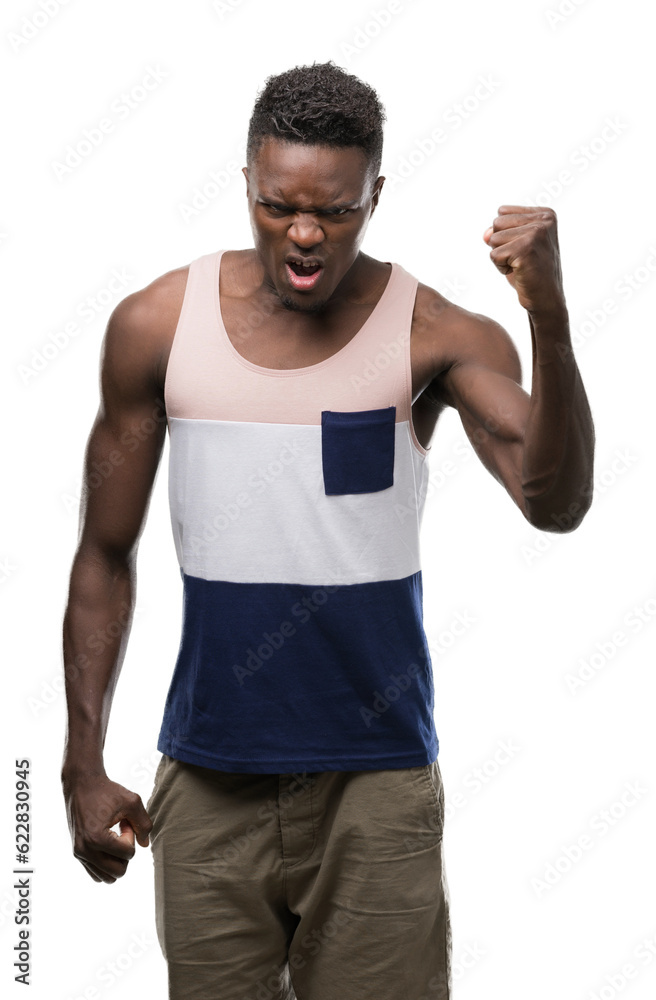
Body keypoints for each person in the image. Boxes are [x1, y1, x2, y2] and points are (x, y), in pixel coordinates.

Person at [61, 60, 595, 1000]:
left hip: (376, 784)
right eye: (278, 206)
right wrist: (81, 762)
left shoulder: (438, 331)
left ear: (375, 196)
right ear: (248, 184)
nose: (304, 234)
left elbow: (556, 504)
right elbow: (105, 553)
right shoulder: (156, 324)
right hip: (209, 770)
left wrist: (548, 316)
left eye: (337, 213)